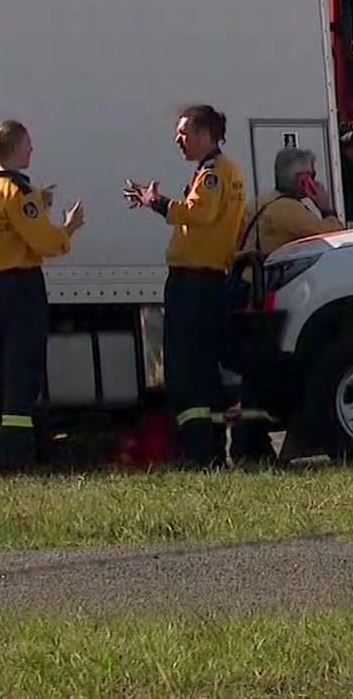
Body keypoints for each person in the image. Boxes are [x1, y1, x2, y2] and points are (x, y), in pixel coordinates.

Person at [124, 105, 247, 468]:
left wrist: (158, 203)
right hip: (206, 281)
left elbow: (200, 213)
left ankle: (199, 452)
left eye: (184, 133)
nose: (178, 139)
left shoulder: (213, 173)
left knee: (187, 370)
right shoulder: (223, 171)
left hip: (195, 283)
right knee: (203, 370)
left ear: (206, 134)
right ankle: (208, 450)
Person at [0, 119, 84, 472]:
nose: (32, 149)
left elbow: (10, 227)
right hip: (20, 290)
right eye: (28, 144)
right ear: (15, 147)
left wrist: (38, 204)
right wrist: (69, 227)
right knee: (20, 374)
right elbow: (44, 243)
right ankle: (14, 460)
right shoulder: (20, 193)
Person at [246, 147, 345, 257]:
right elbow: (334, 237)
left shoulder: (256, 203)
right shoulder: (291, 210)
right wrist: (326, 208)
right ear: (302, 180)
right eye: (312, 176)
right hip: (272, 273)